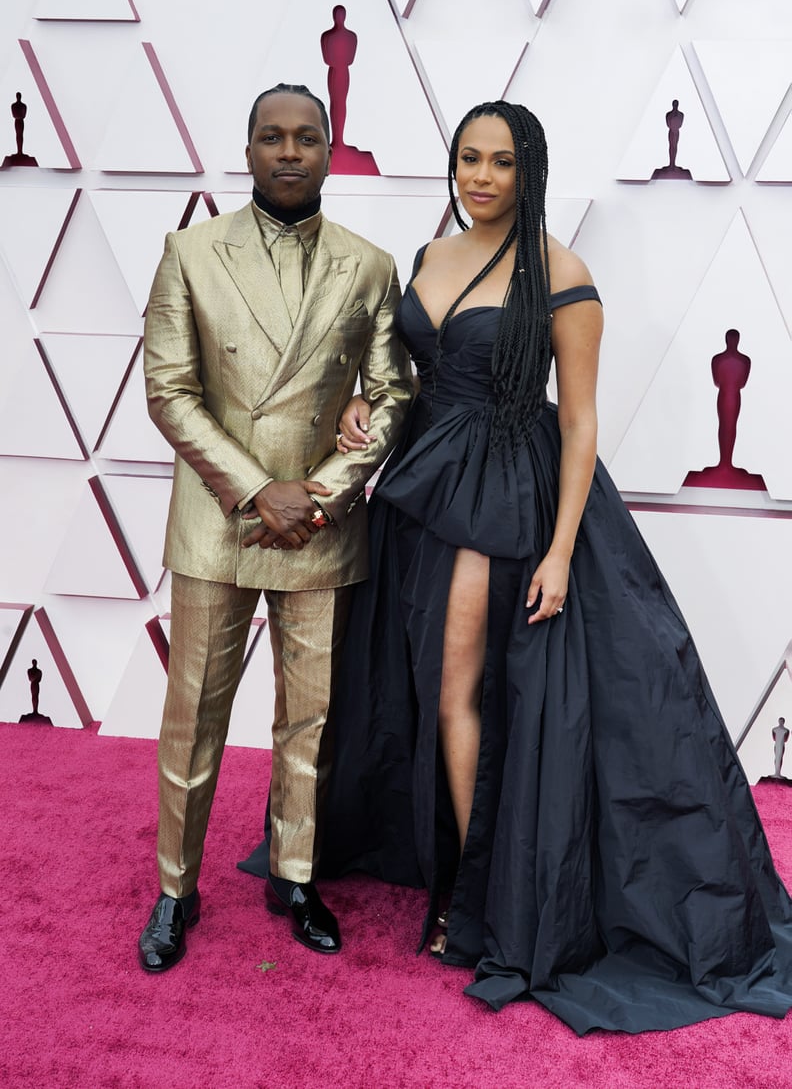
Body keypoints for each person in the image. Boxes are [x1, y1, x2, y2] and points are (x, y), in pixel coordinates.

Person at [321, 100, 792, 1034]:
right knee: (429, 685)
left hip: (506, 495)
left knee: (464, 687)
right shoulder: (429, 257)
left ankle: (471, 900)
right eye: (467, 159)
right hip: (424, 484)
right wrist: (363, 410)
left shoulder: (562, 273)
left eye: (499, 161)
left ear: (528, 169)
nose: (480, 177)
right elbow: (419, 373)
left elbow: (578, 422)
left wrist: (564, 548)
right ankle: (459, 868)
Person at [138, 83, 413, 973]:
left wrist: (323, 492)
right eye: (271, 137)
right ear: (247, 149)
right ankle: (176, 888)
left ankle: (295, 875)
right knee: (194, 715)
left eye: (306, 137)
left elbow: (393, 391)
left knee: (313, 720)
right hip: (222, 519)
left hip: (322, 525)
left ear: (331, 149)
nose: (289, 152)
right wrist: (261, 490)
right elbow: (169, 392)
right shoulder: (190, 253)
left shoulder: (369, 265)